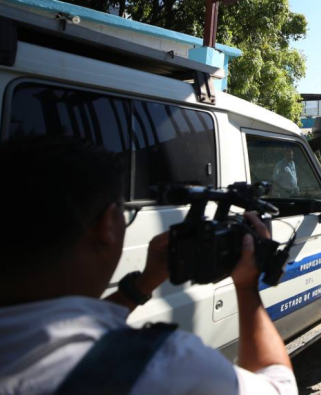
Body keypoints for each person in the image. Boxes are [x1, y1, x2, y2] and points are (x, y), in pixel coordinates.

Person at [0, 137, 297, 395]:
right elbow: (280, 385)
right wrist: (247, 286)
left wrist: (144, 282)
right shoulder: (164, 364)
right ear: (106, 225)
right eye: (123, 212)